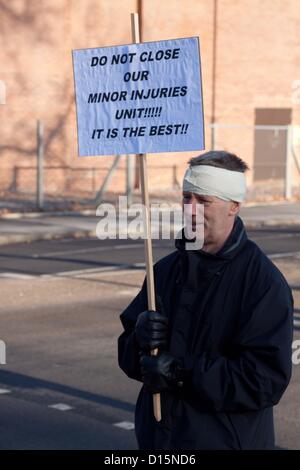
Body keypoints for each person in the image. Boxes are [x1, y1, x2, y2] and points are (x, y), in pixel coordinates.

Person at [118, 150, 294, 450]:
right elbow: (130, 358)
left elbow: (263, 381)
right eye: (187, 197)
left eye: (204, 201)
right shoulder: (164, 270)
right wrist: (138, 338)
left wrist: (181, 373)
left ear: (233, 206)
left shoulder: (262, 283)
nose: (191, 209)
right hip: (160, 442)